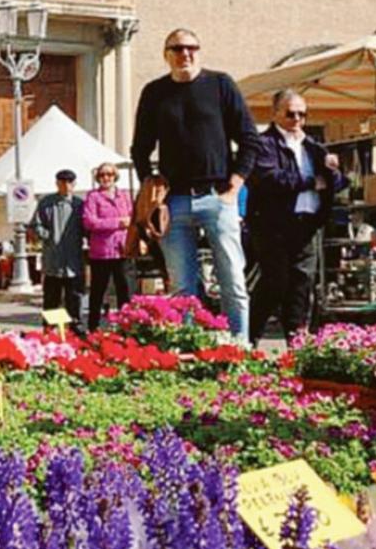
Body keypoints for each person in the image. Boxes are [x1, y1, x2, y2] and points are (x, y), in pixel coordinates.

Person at [131, 28, 261, 338]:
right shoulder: (154, 92)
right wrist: (150, 186)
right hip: (173, 202)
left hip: (217, 196)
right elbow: (140, 148)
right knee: (182, 287)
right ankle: (189, 348)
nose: (184, 54)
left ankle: (238, 348)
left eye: (191, 47)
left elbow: (249, 138)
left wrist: (235, 185)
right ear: (166, 55)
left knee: (233, 280)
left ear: (199, 51)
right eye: (176, 49)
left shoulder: (220, 85)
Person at [246, 89, 345, 344]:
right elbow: (268, 179)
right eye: (291, 114)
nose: (297, 120)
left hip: (307, 224)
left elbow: (338, 183)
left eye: (303, 114)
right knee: (275, 282)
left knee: (301, 285)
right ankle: (249, 336)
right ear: (275, 113)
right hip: (272, 226)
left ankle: (297, 342)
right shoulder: (263, 144)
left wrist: (333, 172)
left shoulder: (314, 147)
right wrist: (313, 181)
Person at [81, 162, 133, 331]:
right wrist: (117, 223)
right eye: (102, 175)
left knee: (124, 290)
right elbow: (90, 222)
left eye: (109, 174)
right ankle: (93, 326)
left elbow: (132, 218)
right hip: (101, 252)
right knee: (98, 291)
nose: (106, 178)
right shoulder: (93, 197)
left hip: (122, 250)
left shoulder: (124, 195)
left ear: (115, 177)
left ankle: (127, 325)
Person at [33, 168, 85, 325]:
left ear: (74, 184)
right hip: (53, 260)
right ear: (57, 183)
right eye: (62, 182)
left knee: (74, 297)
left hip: (73, 261)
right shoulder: (46, 203)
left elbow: (87, 226)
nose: (66, 185)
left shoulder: (79, 204)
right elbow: (36, 224)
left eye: (69, 182)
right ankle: (50, 329)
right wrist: (48, 236)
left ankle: (75, 328)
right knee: (51, 298)